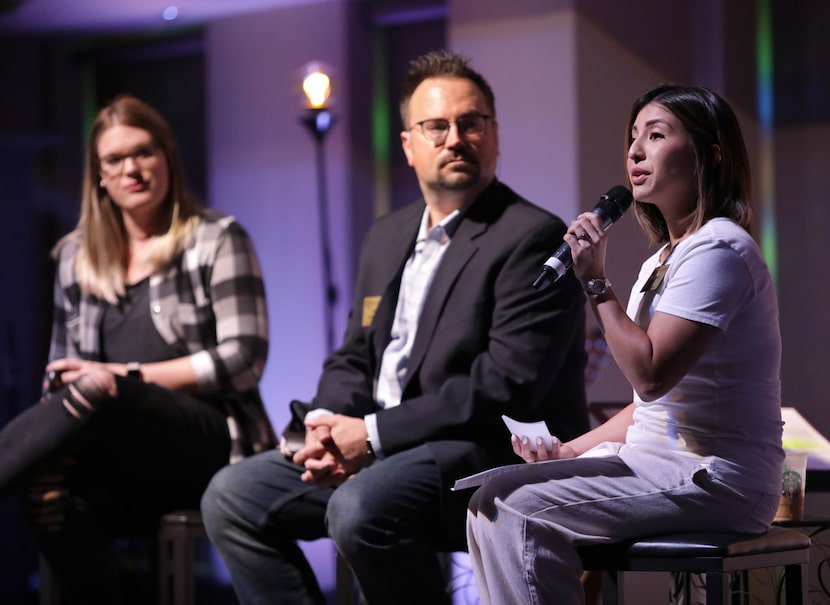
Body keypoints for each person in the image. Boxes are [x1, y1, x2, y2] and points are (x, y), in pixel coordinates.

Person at [200, 49, 589, 604]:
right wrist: (326, 426)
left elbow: (507, 383)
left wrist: (372, 436)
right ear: (409, 145)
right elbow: (355, 354)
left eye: (471, 123)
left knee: (358, 508)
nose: (455, 138)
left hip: (479, 452)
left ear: (494, 134)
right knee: (231, 495)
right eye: (435, 126)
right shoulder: (387, 235)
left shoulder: (532, 237)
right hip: (382, 448)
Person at [465, 83, 784, 604]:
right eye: (633, 137)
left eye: (656, 135)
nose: (635, 151)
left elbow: (651, 376)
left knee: (514, 509)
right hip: (653, 462)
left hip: (718, 476)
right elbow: (646, 411)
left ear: (711, 154)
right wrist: (567, 451)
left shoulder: (721, 249)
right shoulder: (662, 260)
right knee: (488, 500)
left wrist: (596, 283)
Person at [0, 94, 276, 604]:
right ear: (98, 175)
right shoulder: (74, 258)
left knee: (101, 385)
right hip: (119, 456)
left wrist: (123, 374)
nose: (132, 168)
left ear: (168, 157)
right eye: (115, 159)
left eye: (145, 152)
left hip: (211, 444)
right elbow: (58, 378)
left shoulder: (216, 239)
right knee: (47, 489)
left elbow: (244, 359)